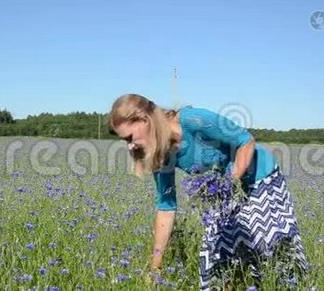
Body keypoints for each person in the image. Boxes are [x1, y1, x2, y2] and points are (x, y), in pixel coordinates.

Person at [108, 93, 307, 290]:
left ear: (144, 120)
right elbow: (166, 208)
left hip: (260, 177)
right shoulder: (161, 154)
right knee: (214, 258)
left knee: (266, 246)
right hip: (223, 191)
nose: (130, 146)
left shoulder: (193, 120)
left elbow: (245, 141)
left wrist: (228, 185)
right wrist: (155, 268)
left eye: (129, 137)